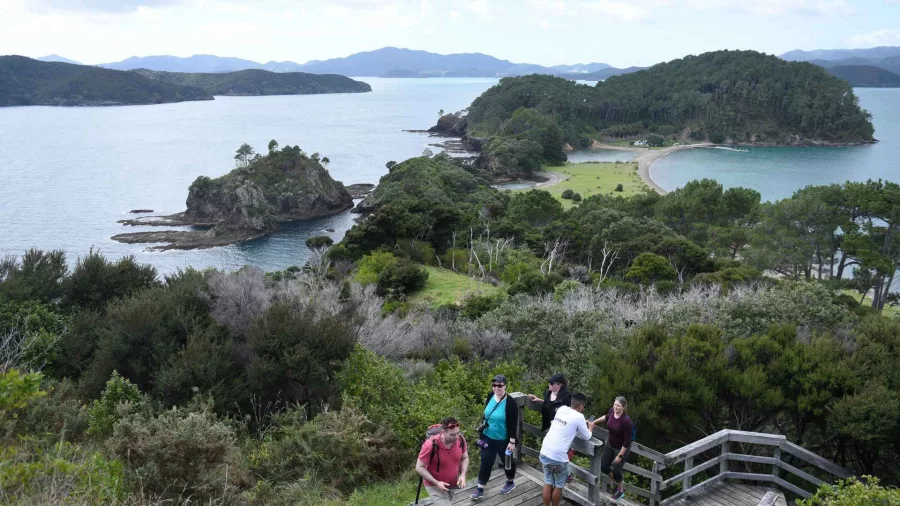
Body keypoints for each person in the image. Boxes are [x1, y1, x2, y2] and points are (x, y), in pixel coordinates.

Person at [539, 393, 595, 506]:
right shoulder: (579, 417)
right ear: (581, 406)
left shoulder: (561, 409)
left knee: (548, 481)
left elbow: (566, 424)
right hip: (558, 457)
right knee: (559, 485)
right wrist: (590, 427)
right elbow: (587, 436)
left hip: (545, 451)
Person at [471, 374, 518, 501]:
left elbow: (514, 424)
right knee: (486, 461)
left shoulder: (510, 403)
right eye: (494, 385)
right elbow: (486, 415)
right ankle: (480, 488)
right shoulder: (490, 396)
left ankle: (510, 482)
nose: (496, 388)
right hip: (488, 436)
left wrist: (512, 442)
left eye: (499, 385)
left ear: (505, 386)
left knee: (507, 462)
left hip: (503, 439)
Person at [415, 417, 469, 506]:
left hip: (452, 483)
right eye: (452, 435)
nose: (456, 437)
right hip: (435, 485)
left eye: (457, 433)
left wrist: (463, 474)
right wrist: (436, 483)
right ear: (443, 432)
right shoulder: (430, 445)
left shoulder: (460, 439)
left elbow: (465, 458)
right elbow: (419, 467)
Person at [595, 396, 633, 501]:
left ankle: (620, 491)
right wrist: (594, 422)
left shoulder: (626, 421)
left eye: (618, 406)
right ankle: (616, 483)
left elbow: (627, 441)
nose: (616, 407)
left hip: (621, 448)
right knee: (603, 466)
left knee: (616, 470)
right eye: (615, 404)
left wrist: (620, 456)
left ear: (624, 407)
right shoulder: (612, 411)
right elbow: (607, 417)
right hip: (610, 444)